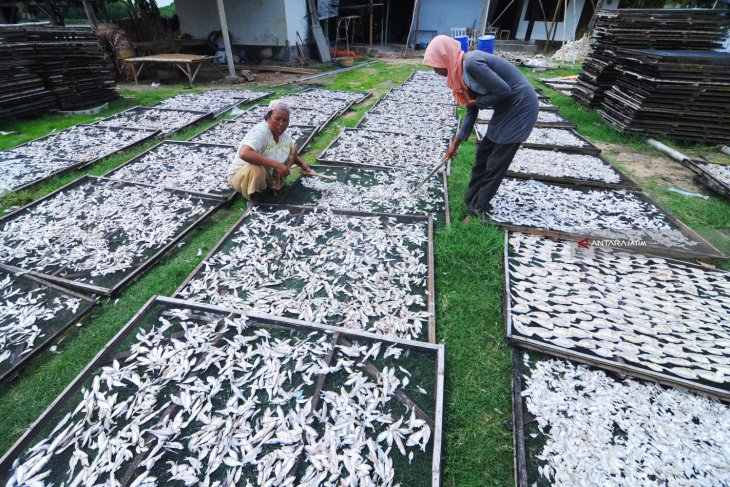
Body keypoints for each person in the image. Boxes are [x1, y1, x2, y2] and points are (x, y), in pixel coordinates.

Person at [423, 35, 538, 216]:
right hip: (505, 109)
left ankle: (476, 210)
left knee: (495, 164)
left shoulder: (472, 63)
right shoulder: (460, 75)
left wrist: (477, 102)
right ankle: (470, 198)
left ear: (445, 57)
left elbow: (505, 91)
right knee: (482, 156)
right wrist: (455, 144)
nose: (435, 71)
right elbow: (471, 111)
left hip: (520, 108)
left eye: (435, 64)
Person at [228, 99, 312, 201]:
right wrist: (276, 165)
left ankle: (272, 184)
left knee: (292, 149)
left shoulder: (283, 134)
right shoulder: (260, 131)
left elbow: (292, 152)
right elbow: (244, 153)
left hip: (267, 172)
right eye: (277, 119)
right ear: (268, 118)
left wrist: (302, 164)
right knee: (255, 169)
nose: (281, 124)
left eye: (285, 120)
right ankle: (254, 197)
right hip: (241, 176)